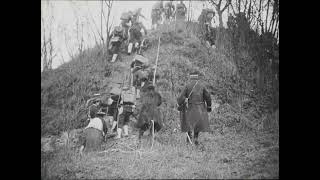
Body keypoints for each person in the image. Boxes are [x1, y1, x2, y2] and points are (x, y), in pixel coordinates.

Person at [176, 71, 212, 145]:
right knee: (197, 124)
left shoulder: (187, 85)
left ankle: (189, 139)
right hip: (200, 108)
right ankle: (195, 138)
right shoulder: (202, 85)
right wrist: (209, 106)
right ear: (197, 78)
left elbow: (180, 97)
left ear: (190, 77)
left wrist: (181, 103)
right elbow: (208, 96)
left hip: (190, 108)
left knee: (189, 123)